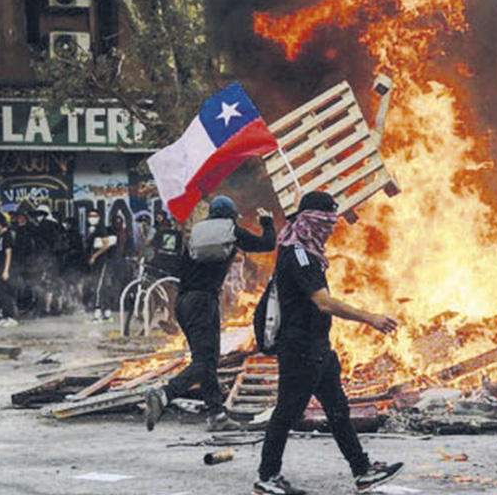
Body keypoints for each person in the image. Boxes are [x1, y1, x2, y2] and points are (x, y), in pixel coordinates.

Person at [253, 191, 403, 495]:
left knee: (337, 410)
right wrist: (370, 318)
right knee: (286, 412)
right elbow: (322, 302)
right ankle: (266, 478)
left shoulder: (302, 249)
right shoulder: (299, 254)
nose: (333, 228)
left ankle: (362, 471)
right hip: (301, 347)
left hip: (317, 346)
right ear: (313, 221)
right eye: (327, 221)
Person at [146, 195, 276, 433]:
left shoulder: (197, 234)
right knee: (206, 361)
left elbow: (180, 267)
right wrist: (267, 222)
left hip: (183, 302)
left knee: (204, 360)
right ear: (230, 215)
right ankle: (165, 393)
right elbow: (267, 244)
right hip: (204, 303)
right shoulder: (232, 231)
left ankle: (216, 414)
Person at [0, 213, 19, 326]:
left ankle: (11, 316)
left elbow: (8, 253)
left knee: (6, 292)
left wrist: (6, 270)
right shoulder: (0, 236)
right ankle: (5, 315)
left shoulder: (7, 235)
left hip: (5, 267)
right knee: (0, 292)